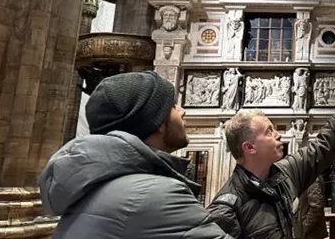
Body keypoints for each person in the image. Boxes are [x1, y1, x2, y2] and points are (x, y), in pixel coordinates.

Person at [39, 71, 232, 238]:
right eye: (173, 106)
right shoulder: (155, 195)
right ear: (157, 123)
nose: (182, 112)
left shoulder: (91, 188)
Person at [207, 64, 335, 238]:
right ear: (249, 147)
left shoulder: (284, 174)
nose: (278, 135)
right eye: (268, 131)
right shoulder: (226, 209)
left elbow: (323, 147)